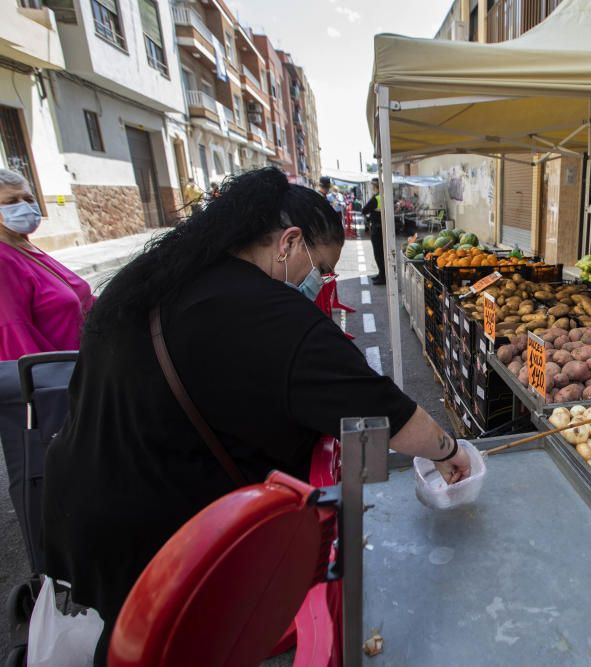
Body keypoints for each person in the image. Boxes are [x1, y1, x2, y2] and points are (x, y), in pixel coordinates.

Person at [42, 168, 471, 664]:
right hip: (160, 544)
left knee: (127, 643)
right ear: (289, 242)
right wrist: (449, 449)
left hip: (82, 509)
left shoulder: (162, 278)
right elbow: (382, 409)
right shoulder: (268, 316)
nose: (324, 282)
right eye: (323, 268)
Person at [0, 169, 95, 361]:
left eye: (27, 198)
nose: (24, 206)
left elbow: (82, 300)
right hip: (62, 379)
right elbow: (17, 339)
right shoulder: (3, 259)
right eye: (11, 202)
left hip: (89, 365)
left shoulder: (24, 246)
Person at [362, 179, 386, 285]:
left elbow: (364, 210)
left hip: (377, 229)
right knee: (383, 253)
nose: (372, 188)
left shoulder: (376, 198)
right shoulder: (385, 196)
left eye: (372, 186)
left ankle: (382, 277)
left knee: (378, 254)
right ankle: (381, 274)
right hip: (384, 228)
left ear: (376, 187)